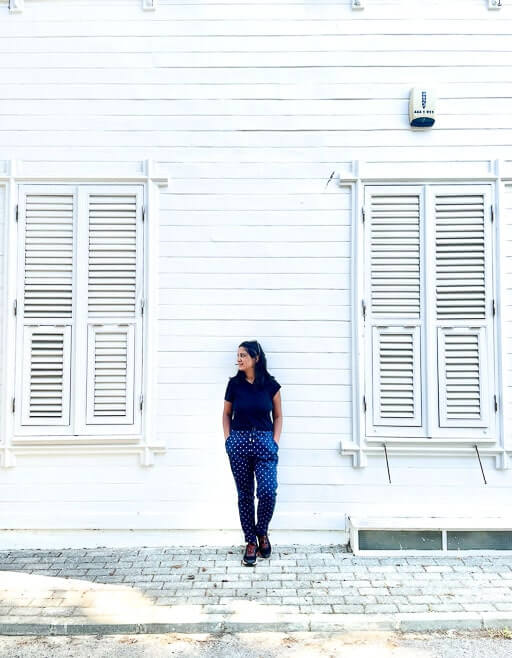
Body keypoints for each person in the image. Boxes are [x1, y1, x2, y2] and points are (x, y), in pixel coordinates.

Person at [222, 340, 283, 566]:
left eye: (243, 355)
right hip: (239, 442)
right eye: (237, 355)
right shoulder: (234, 385)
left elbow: (278, 416)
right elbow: (226, 414)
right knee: (245, 494)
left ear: (256, 358)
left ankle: (262, 533)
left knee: (268, 491)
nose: (239, 359)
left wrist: (274, 442)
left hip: (264, 442)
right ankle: (250, 541)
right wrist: (229, 440)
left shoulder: (271, 385)